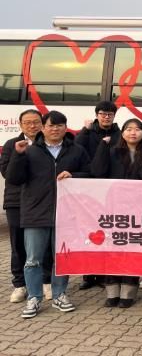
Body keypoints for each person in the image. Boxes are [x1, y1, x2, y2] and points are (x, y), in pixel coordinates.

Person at [5, 110, 90, 319]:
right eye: (51, 125)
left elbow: (90, 174)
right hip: (36, 213)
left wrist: (74, 174)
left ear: (65, 127)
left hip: (66, 214)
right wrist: (18, 155)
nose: (55, 129)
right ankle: (34, 297)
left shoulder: (77, 150)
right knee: (33, 260)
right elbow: (14, 178)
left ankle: (59, 294)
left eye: (59, 125)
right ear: (43, 128)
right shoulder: (29, 150)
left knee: (61, 258)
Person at [91, 118, 142, 308]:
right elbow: (98, 172)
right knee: (113, 249)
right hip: (114, 208)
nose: (133, 132)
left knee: (132, 249)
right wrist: (102, 147)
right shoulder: (112, 151)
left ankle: (128, 292)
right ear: (122, 133)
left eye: (137, 129)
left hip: (138, 209)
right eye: (129, 129)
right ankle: (112, 291)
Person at [1, 110, 53, 303]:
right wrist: (19, 154)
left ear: (42, 124)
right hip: (16, 201)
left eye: (36, 122)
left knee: (44, 243)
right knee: (18, 244)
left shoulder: (47, 144)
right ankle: (20, 284)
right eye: (27, 122)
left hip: (41, 201)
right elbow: (7, 173)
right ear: (20, 124)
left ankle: (46, 281)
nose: (32, 126)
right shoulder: (11, 144)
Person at [75, 100, 121, 290]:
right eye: (103, 113)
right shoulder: (88, 132)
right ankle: (88, 275)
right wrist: (84, 131)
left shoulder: (119, 133)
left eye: (110, 114)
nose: (106, 117)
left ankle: (103, 273)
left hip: (110, 188)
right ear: (97, 115)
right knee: (88, 230)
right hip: (89, 186)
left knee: (107, 230)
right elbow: (76, 150)